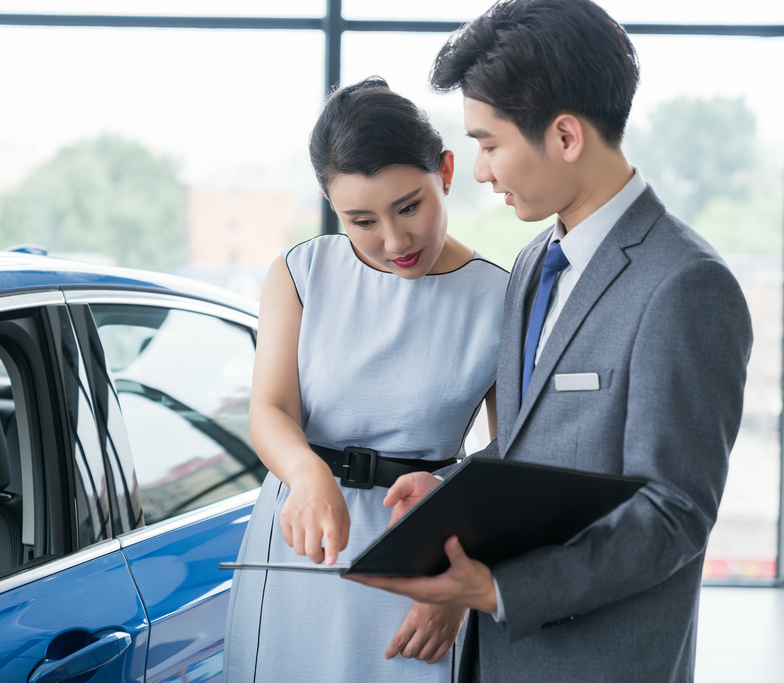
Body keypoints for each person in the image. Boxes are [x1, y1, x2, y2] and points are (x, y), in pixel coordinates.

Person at [349, 2, 754, 682]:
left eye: (488, 143)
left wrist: (499, 590)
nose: (480, 171)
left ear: (565, 136)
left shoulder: (686, 286)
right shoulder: (535, 261)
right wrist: (449, 488)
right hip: (498, 660)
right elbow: (527, 449)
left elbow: (674, 514)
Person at [223, 77, 509, 681]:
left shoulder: (500, 298)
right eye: (361, 220)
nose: (394, 240)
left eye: (410, 206)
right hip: (300, 532)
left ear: (447, 173)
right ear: (333, 208)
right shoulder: (302, 271)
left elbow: (511, 458)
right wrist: (306, 474)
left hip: (423, 553)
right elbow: (270, 409)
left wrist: (455, 587)